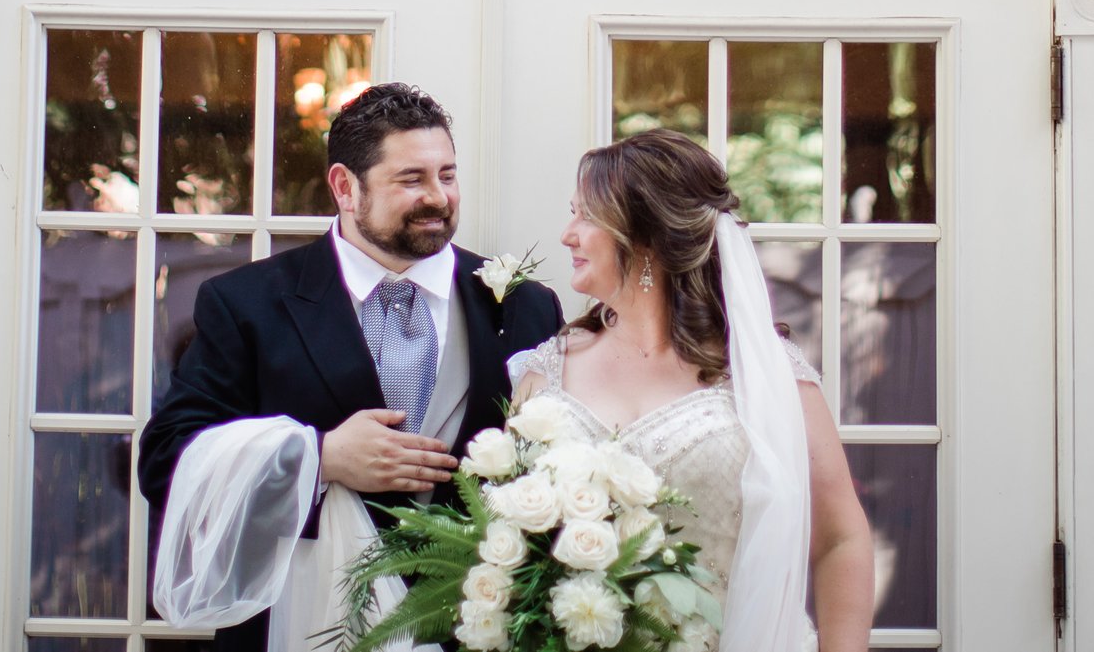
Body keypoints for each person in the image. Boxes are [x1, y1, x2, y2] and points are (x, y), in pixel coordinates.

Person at [139, 82, 563, 652]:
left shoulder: (524, 305)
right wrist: (319, 458)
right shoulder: (247, 303)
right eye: (411, 179)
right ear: (345, 186)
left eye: (448, 175)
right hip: (304, 620)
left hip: (478, 629)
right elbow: (166, 458)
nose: (439, 197)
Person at [510, 129, 875, 652]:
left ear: (646, 238)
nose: (568, 234)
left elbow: (841, 537)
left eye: (586, 215)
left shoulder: (768, 378)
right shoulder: (545, 374)